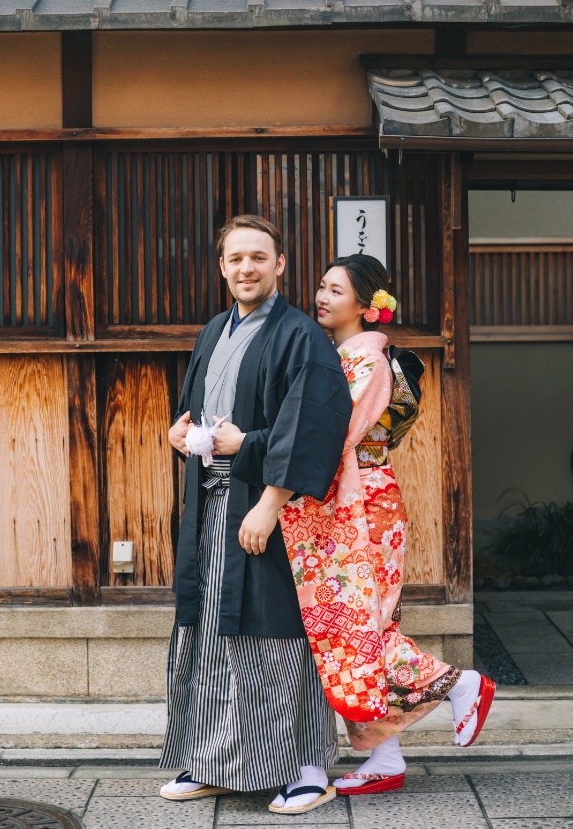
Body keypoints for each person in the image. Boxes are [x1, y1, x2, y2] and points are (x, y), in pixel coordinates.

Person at [279, 253, 495, 796]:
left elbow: (333, 435)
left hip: (362, 505)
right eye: (322, 288)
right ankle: (384, 755)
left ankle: (459, 683)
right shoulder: (347, 356)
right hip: (360, 496)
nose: (322, 298)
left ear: (366, 303)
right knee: (357, 629)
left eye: (336, 290)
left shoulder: (365, 361)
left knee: (359, 629)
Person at [159, 215, 352, 814]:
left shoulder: (301, 336)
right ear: (223, 268)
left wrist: (271, 503)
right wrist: (180, 431)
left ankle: (306, 768)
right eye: (236, 258)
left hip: (270, 506)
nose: (247, 268)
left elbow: (314, 427)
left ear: (280, 265)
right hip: (213, 501)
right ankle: (216, 760)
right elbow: (200, 411)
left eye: (259, 258)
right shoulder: (215, 330)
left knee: (277, 635)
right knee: (212, 631)